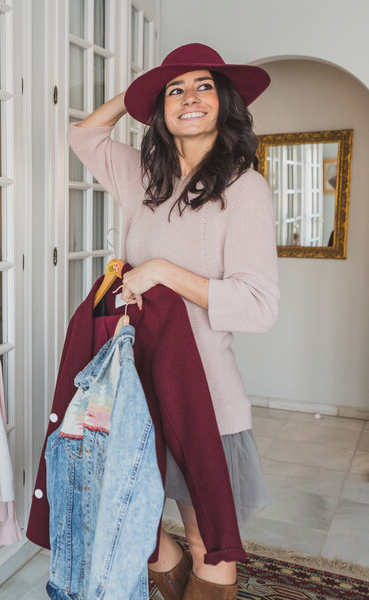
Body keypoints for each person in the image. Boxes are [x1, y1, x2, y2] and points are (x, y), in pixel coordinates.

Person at [68, 43, 280, 599]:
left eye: (203, 86)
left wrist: (162, 270)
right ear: (160, 109)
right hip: (134, 384)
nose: (189, 98)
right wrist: (140, 93)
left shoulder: (244, 188)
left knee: (207, 538)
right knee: (130, 521)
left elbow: (260, 305)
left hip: (202, 394)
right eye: (175, 90)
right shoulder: (144, 176)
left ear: (224, 101)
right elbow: (83, 136)